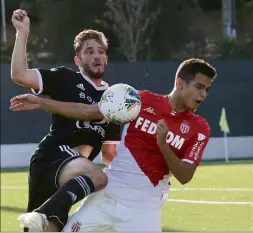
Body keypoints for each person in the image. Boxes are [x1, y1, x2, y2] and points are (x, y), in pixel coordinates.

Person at [10, 58, 217, 232]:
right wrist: (42, 103)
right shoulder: (139, 100)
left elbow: (185, 176)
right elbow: (88, 111)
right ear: (181, 83)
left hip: (144, 211)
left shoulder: (199, 128)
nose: (203, 95)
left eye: (207, 90)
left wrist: (163, 144)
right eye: (199, 87)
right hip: (106, 197)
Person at [10, 9, 121, 232]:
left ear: (107, 58)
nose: (97, 55)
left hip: (72, 172)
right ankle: (41, 214)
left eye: (101, 51)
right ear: (77, 60)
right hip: (53, 155)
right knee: (97, 176)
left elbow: (110, 155)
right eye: (89, 52)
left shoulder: (114, 98)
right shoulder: (66, 78)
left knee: (45, 229)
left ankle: (41, 216)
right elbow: (19, 74)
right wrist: (22, 33)